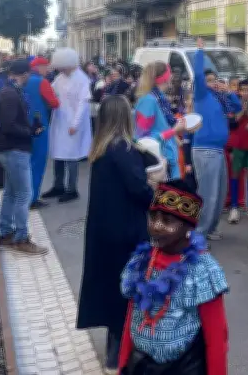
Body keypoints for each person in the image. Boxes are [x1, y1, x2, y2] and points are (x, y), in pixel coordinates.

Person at [76, 95, 157, 373]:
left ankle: (114, 351)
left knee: (112, 290)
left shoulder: (102, 148)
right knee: (127, 292)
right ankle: (121, 355)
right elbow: (139, 189)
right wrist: (156, 193)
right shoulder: (122, 149)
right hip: (126, 230)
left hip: (104, 230)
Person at [117, 180, 229, 375]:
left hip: (184, 368)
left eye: (168, 221)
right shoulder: (142, 262)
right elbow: (131, 319)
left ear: (188, 228)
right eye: (153, 217)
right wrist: (122, 366)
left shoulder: (202, 270)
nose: (156, 226)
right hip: (141, 366)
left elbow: (217, 338)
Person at [0, 59, 47, 255]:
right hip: (15, 150)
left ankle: (7, 232)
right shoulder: (9, 94)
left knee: (11, 193)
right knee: (24, 194)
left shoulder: (8, 91)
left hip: (11, 149)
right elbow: (8, 126)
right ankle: (21, 237)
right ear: (24, 74)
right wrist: (29, 132)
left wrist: (30, 129)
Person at [191, 39, 240, 239]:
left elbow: (237, 108)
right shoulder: (201, 96)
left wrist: (228, 92)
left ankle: (210, 228)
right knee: (208, 194)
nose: (212, 83)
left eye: (214, 80)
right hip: (205, 150)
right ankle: (199, 233)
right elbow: (197, 74)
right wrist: (200, 51)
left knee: (219, 193)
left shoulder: (220, 99)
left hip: (218, 150)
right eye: (209, 80)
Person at [43, 48, 92, 203]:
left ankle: (72, 189)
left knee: (71, 156)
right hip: (60, 121)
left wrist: (75, 124)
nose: (61, 69)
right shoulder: (60, 77)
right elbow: (51, 90)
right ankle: (58, 186)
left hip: (72, 123)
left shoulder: (82, 79)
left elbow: (83, 104)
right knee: (58, 154)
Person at [133, 62, 186, 181]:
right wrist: (173, 131)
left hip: (166, 161)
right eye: (169, 72)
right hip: (158, 165)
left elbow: (160, 127)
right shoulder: (149, 101)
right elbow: (142, 139)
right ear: (165, 78)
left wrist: (175, 135)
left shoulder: (159, 99)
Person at [25, 57, 60, 208]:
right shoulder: (41, 82)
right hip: (39, 125)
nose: (47, 70)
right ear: (38, 67)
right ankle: (32, 198)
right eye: (46, 67)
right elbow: (55, 103)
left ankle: (24, 195)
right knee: (38, 161)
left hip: (23, 125)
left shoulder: (23, 80)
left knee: (26, 162)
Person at [227, 77, 248, 226]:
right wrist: (242, 111)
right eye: (243, 90)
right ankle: (234, 206)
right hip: (238, 144)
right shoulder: (234, 104)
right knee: (235, 173)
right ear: (239, 91)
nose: (245, 93)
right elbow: (232, 123)